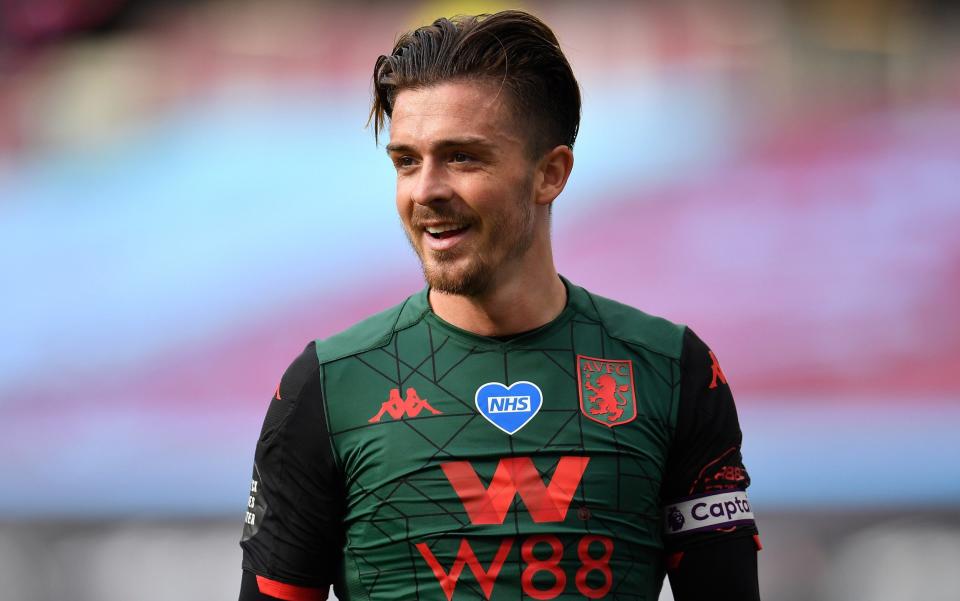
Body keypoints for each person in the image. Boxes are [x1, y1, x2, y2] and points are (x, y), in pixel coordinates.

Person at [238, 10, 760, 601]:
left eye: (462, 157)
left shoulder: (672, 370)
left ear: (551, 174)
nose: (426, 191)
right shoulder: (328, 385)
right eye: (407, 161)